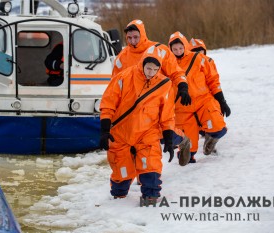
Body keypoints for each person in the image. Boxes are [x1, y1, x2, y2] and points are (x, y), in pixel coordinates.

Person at [99, 45, 190, 203]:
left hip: (148, 132)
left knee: (151, 166)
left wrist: (168, 140)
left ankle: (150, 198)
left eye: (155, 69)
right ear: (142, 64)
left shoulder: (164, 85)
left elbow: (167, 116)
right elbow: (108, 104)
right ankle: (118, 197)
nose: (151, 72)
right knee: (120, 180)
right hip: (121, 132)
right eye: (148, 68)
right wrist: (105, 130)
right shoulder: (123, 78)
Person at [168, 31, 231, 163]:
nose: (178, 51)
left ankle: (210, 140)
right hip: (182, 108)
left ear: (185, 46)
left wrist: (222, 101)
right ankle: (185, 151)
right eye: (174, 49)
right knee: (188, 150)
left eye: (180, 48)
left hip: (203, 101)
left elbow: (213, 81)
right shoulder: (167, 64)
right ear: (170, 49)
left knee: (219, 128)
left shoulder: (199, 59)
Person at [112, 19, 192, 106]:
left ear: (142, 35)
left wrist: (183, 86)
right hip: (132, 108)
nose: (133, 41)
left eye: (136, 37)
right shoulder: (122, 57)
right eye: (129, 38)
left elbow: (176, 72)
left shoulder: (160, 50)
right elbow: (115, 84)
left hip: (158, 104)